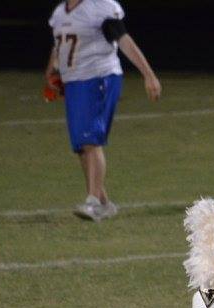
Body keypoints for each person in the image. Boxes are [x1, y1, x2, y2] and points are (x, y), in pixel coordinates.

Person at [46, 0, 161, 221]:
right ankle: (105, 204)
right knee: (81, 146)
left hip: (99, 77)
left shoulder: (100, 7)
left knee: (91, 141)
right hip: (74, 83)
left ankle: (93, 202)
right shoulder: (60, 12)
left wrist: (148, 74)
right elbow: (60, 46)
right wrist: (52, 70)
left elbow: (124, 40)